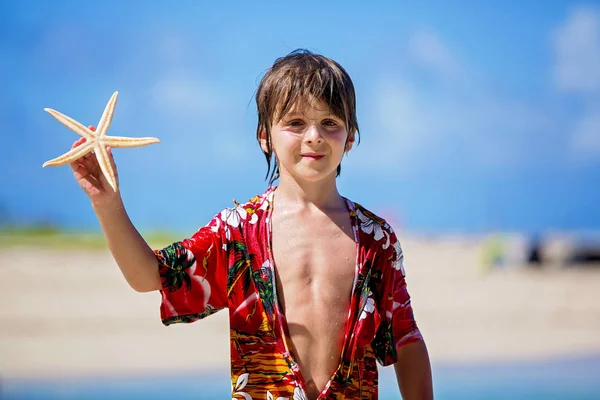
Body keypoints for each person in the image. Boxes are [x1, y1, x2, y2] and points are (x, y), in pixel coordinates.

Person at [69, 49, 433, 399]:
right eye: (295, 123)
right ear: (265, 136)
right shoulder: (238, 233)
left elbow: (405, 338)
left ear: (350, 136)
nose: (314, 136)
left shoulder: (375, 239)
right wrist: (107, 203)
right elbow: (150, 276)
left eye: (330, 123)